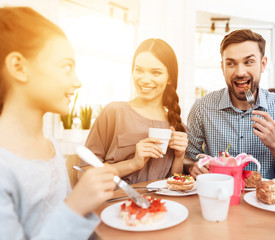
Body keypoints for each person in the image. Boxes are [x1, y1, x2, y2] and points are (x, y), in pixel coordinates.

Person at [0, 7, 117, 239]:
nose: (77, 82)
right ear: (19, 67)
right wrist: (75, 205)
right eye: (66, 67)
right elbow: (68, 212)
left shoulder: (49, 145)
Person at [185, 29, 275, 179]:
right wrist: (192, 167)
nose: (240, 72)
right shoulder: (202, 107)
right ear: (222, 67)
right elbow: (188, 158)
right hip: (217, 195)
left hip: (263, 199)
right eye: (231, 63)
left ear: (262, 64)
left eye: (248, 62)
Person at [80, 39, 188, 184]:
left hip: (161, 206)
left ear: (170, 78)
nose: (145, 79)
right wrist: (133, 163)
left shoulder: (176, 124)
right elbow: (83, 174)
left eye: (156, 73)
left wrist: (179, 156)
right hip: (116, 204)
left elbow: (173, 184)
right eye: (139, 70)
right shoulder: (114, 113)